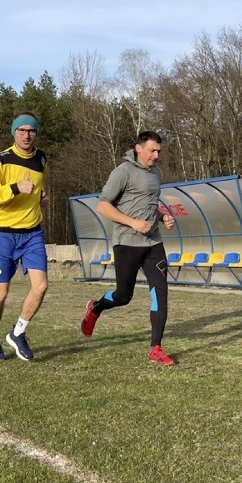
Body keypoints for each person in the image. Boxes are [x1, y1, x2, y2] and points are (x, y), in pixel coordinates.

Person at [80, 131, 177, 365]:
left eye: (159, 151)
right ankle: (96, 307)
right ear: (138, 148)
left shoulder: (156, 173)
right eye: (152, 150)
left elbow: (147, 204)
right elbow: (103, 205)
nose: (156, 155)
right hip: (127, 242)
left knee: (160, 293)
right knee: (124, 296)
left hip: (153, 242)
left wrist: (162, 216)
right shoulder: (122, 172)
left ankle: (156, 347)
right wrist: (133, 222)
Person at [0, 112, 48, 362]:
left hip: (32, 233)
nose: (26, 135)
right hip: (4, 234)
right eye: (22, 130)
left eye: (31, 131)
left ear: (36, 134)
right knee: (1, 293)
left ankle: (18, 333)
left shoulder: (41, 158)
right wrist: (16, 189)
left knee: (41, 287)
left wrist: (39, 198)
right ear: (14, 133)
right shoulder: (1, 160)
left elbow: (37, 186)